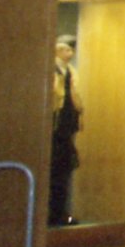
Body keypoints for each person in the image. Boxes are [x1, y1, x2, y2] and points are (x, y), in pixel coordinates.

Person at [50, 37, 83, 225]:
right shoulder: (52, 70)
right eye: (66, 50)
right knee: (53, 170)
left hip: (67, 125)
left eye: (71, 50)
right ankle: (50, 213)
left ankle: (59, 212)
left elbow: (76, 98)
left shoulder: (71, 72)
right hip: (55, 126)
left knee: (63, 170)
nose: (69, 54)